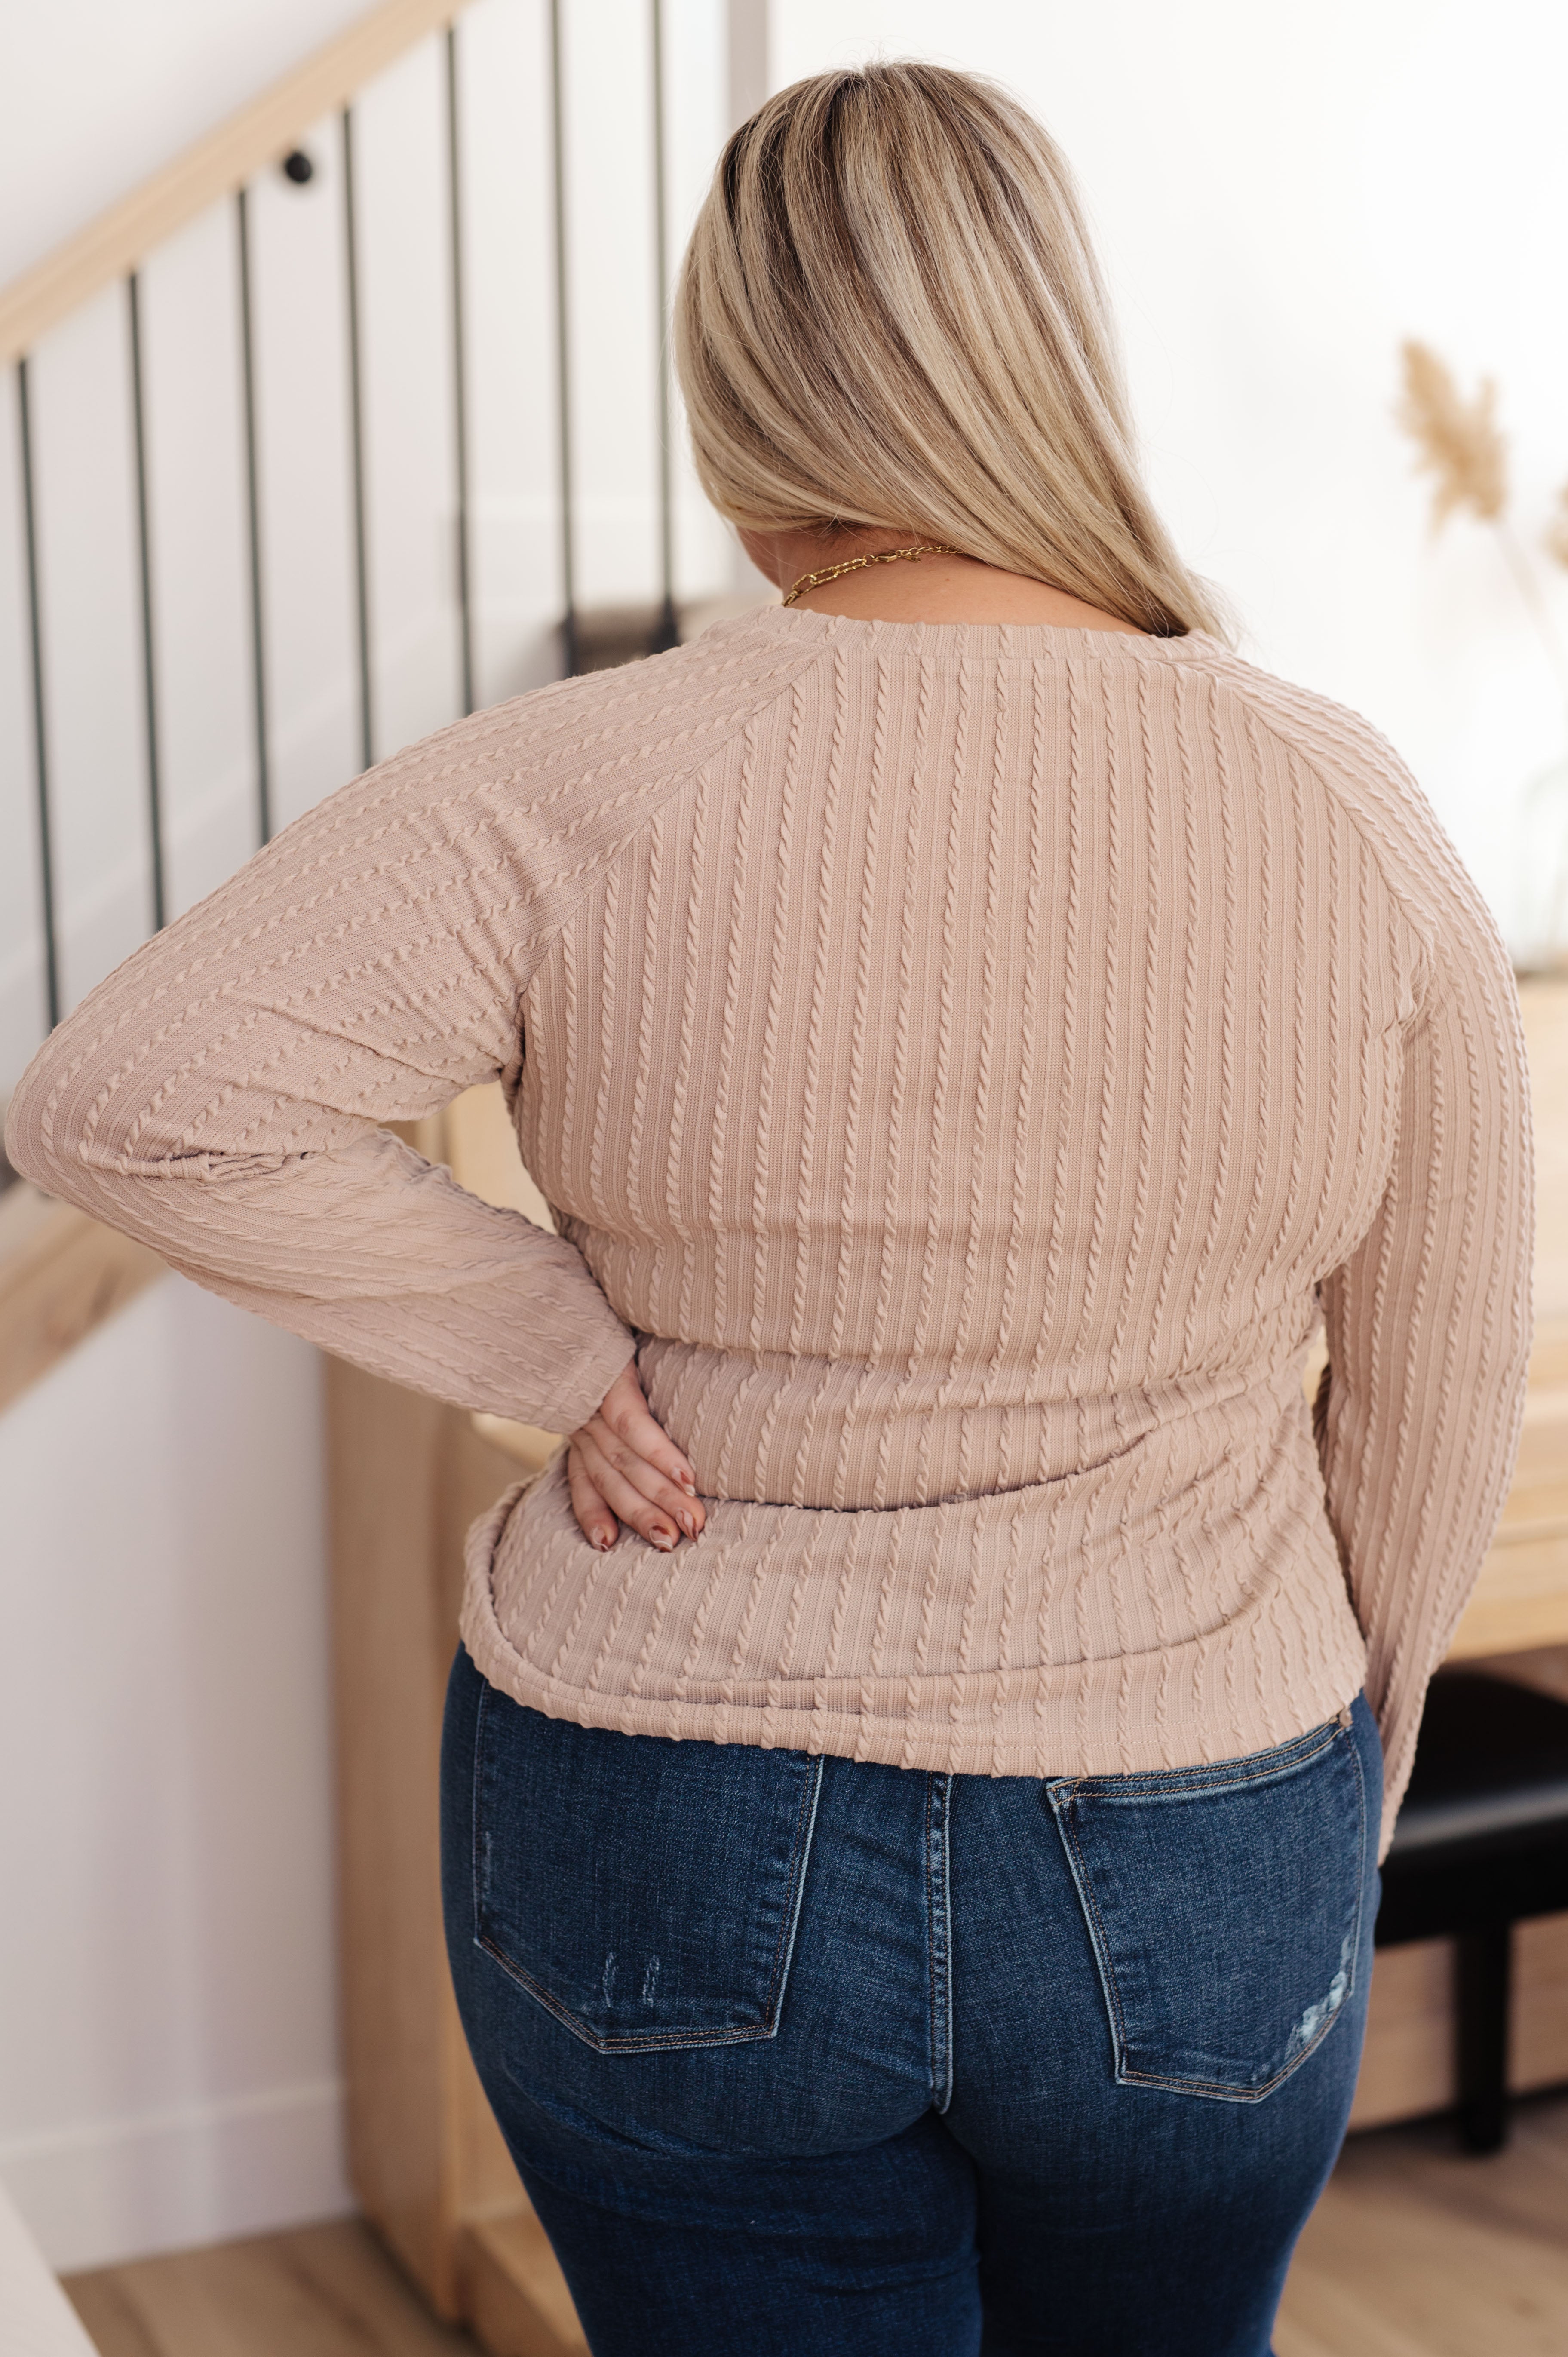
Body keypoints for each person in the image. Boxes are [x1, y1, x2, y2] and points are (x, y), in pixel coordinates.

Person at [6, 60, 1531, 2357]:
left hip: (664, 1815)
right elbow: (1430, 1404)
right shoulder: (1347, 806)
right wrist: (1320, 1791)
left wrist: (553, 1350)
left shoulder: (579, 773)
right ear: (1055, 357)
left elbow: (118, 1098)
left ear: (742, 398)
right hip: (1198, 1821)